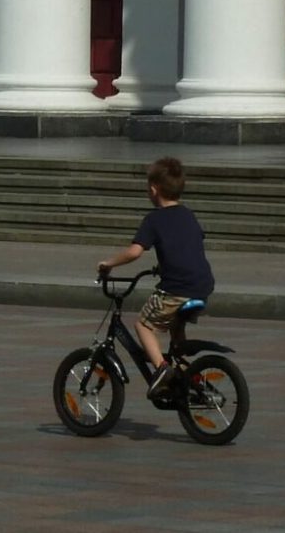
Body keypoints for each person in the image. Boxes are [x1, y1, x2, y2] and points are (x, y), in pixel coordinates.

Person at [96, 156, 216, 404]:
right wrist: (163, 266)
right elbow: (186, 245)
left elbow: (135, 252)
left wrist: (108, 263)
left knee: (144, 326)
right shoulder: (188, 215)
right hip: (201, 286)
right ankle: (184, 374)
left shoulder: (154, 220)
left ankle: (163, 370)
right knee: (176, 328)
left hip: (176, 289)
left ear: (153, 190)